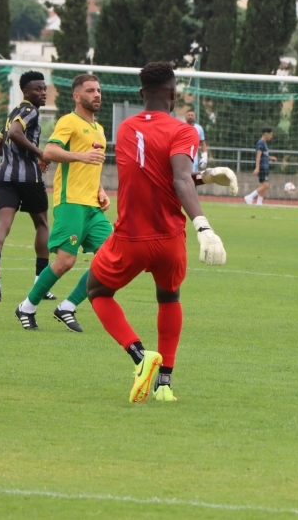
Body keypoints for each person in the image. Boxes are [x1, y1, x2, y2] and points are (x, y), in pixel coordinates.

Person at [85, 62, 227, 404]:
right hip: (169, 239)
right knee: (169, 298)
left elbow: (155, 176)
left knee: (96, 290)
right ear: (174, 94)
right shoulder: (184, 131)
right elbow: (177, 178)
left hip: (130, 238)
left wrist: (204, 178)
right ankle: (164, 383)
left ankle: (139, 355)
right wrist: (203, 225)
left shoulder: (124, 128)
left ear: (140, 94)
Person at [15, 74, 111, 333]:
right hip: (70, 203)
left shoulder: (99, 130)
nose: (97, 94)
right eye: (90, 90)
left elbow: (92, 166)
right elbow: (49, 151)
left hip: (92, 206)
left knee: (112, 258)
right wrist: (80, 155)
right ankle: (27, 307)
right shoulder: (69, 121)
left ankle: (67, 306)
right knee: (65, 262)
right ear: (77, 96)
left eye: (99, 90)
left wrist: (101, 190)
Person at [0, 71, 56, 303]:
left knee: (3, 224)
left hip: (4, 177)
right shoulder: (30, 110)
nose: (43, 92)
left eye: (44, 88)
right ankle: (41, 283)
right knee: (42, 224)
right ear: (25, 92)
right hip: (28, 179)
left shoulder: (12, 113)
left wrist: (12, 158)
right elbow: (16, 134)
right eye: (38, 89)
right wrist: (38, 154)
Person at [244, 127, 277, 205]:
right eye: (270, 134)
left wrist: (270, 158)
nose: (271, 136)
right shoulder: (260, 143)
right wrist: (257, 168)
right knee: (266, 185)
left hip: (265, 166)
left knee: (264, 185)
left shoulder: (264, 144)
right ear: (266, 134)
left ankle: (259, 202)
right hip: (262, 167)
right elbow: (258, 156)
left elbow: (263, 155)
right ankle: (249, 197)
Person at [184, 108, 209, 173]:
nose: (190, 116)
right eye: (188, 115)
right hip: (183, 155)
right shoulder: (181, 127)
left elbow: (203, 143)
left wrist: (205, 156)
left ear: (195, 117)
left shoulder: (199, 128)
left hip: (194, 157)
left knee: (193, 176)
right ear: (185, 116)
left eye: (192, 115)